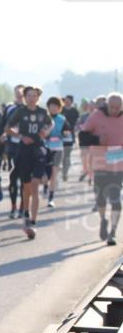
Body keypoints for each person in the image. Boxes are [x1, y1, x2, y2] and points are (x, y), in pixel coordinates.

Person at [4, 86, 52, 239]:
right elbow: (7, 128)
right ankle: (25, 213)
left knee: (35, 185)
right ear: (24, 97)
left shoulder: (42, 112)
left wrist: (46, 131)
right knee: (27, 188)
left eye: (34, 95)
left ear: (38, 97)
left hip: (38, 149)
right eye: (29, 95)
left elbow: (50, 124)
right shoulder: (20, 111)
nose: (32, 98)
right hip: (24, 150)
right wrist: (20, 136)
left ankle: (33, 221)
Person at [79, 93, 123, 245]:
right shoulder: (96, 116)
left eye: (118, 108)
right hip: (100, 164)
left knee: (116, 200)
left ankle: (113, 232)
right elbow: (82, 137)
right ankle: (103, 219)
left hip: (119, 165)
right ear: (107, 105)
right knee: (101, 198)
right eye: (112, 107)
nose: (115, 110)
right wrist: (97, 140)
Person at [44, 96, 68, 207]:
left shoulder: (62, 119)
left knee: (54, 174)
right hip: (45, 148)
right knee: (45, 175)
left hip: (58, 148)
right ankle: (45, 185)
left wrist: (65, 133)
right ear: (48, 107)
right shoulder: (44, 117)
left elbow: (67, 130)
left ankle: (51, 198)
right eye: (51, 106)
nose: (53, 108)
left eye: (56, 106)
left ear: (59, 108)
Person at [61, 94, 80, 181]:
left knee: (67, 155)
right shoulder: (61, 110)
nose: (66, 102)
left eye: (68, 100)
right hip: (60, 135)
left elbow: (76, 123)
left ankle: (65, 172)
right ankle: (61, 169)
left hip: (70, 135)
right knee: (60, 155)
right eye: (65, 100)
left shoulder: (75, 111)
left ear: (71, 101)